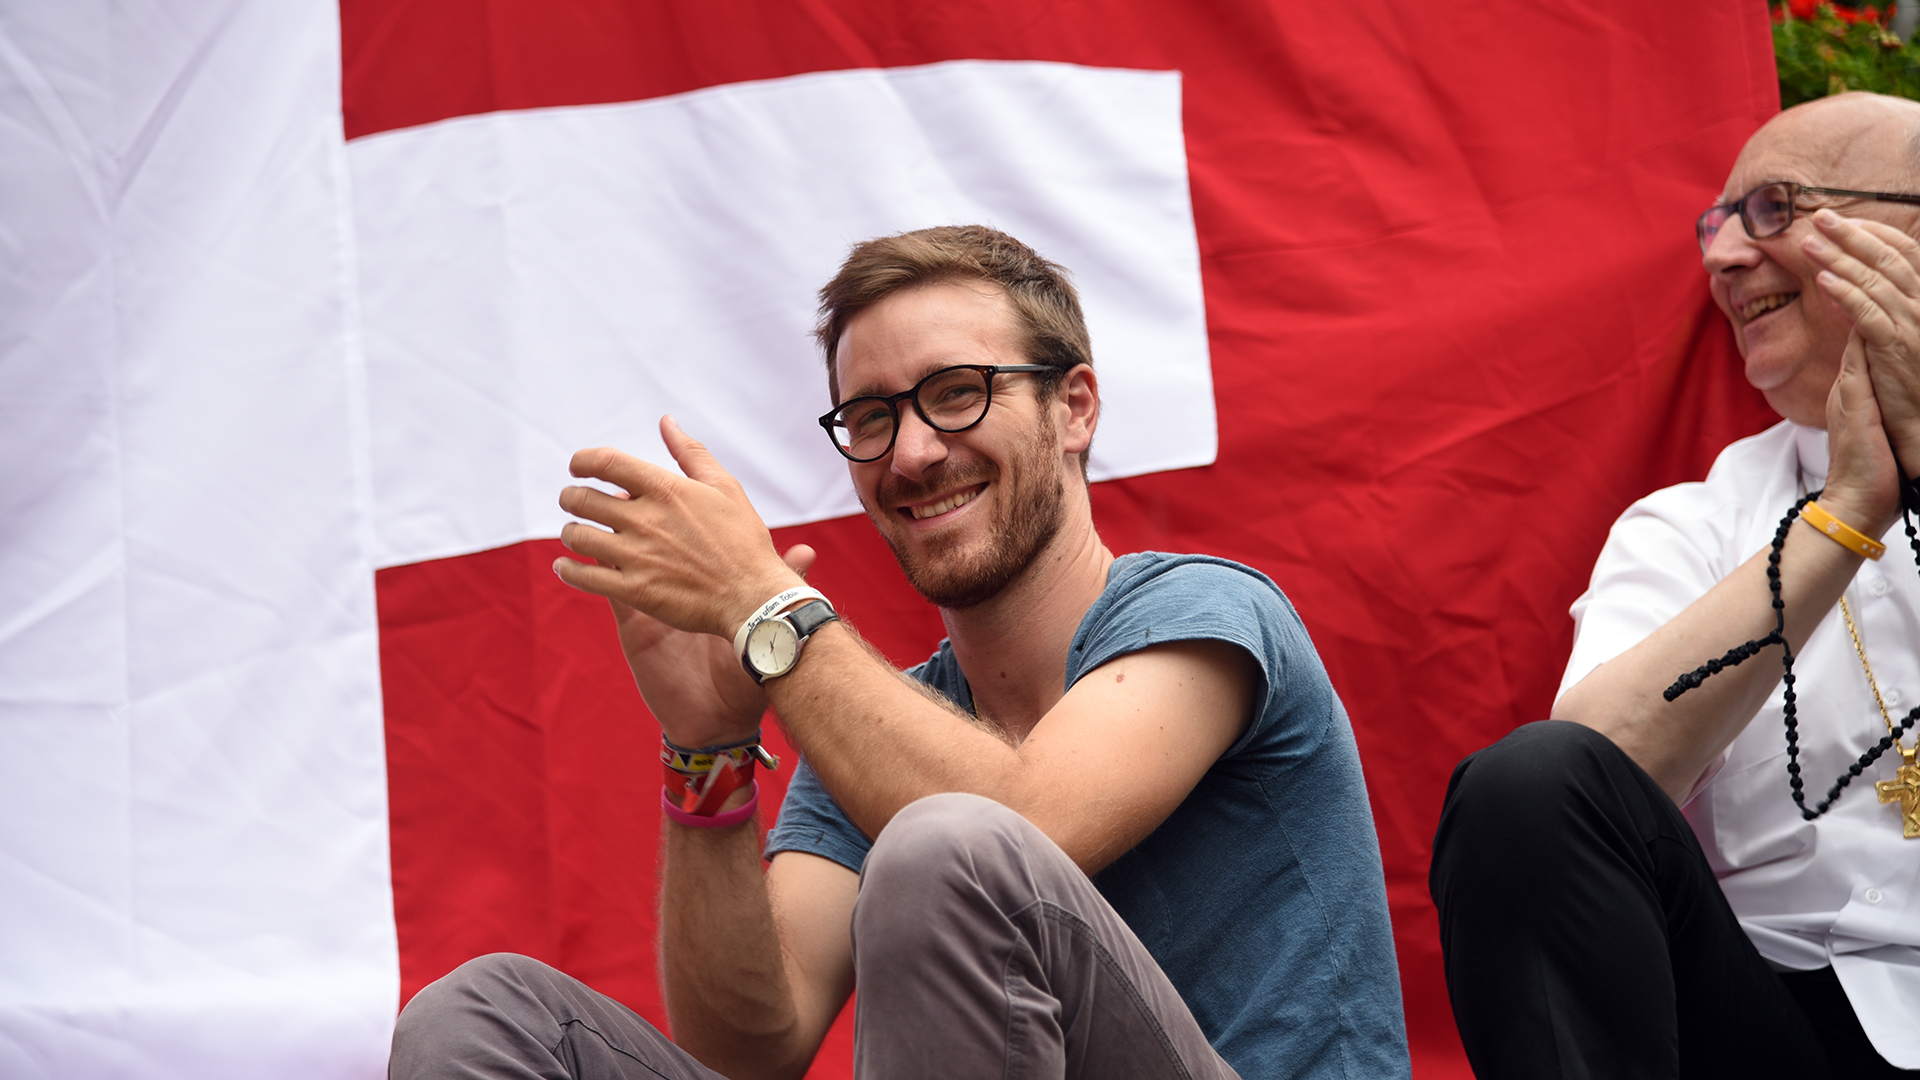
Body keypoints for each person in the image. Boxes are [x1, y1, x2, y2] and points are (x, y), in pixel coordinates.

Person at [388, 225, 1410, 1079]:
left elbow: (1024, 821)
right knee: (478, 1016)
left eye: (958, 392)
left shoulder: (1205, 612)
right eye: (872, 417)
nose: (913, 451)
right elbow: (750, 1045)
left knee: (945, 845)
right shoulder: (889, 728)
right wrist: (706, 749)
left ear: (1075, 408)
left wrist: (765, 605)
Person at [1429, 92, 1920, 1078]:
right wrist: (1846, 515)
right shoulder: (1691, 525)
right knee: (1526, 785)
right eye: (1719, 222)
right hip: (1771, 1022)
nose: (1724, 256)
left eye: (1776, 208)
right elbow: (1586, 783)